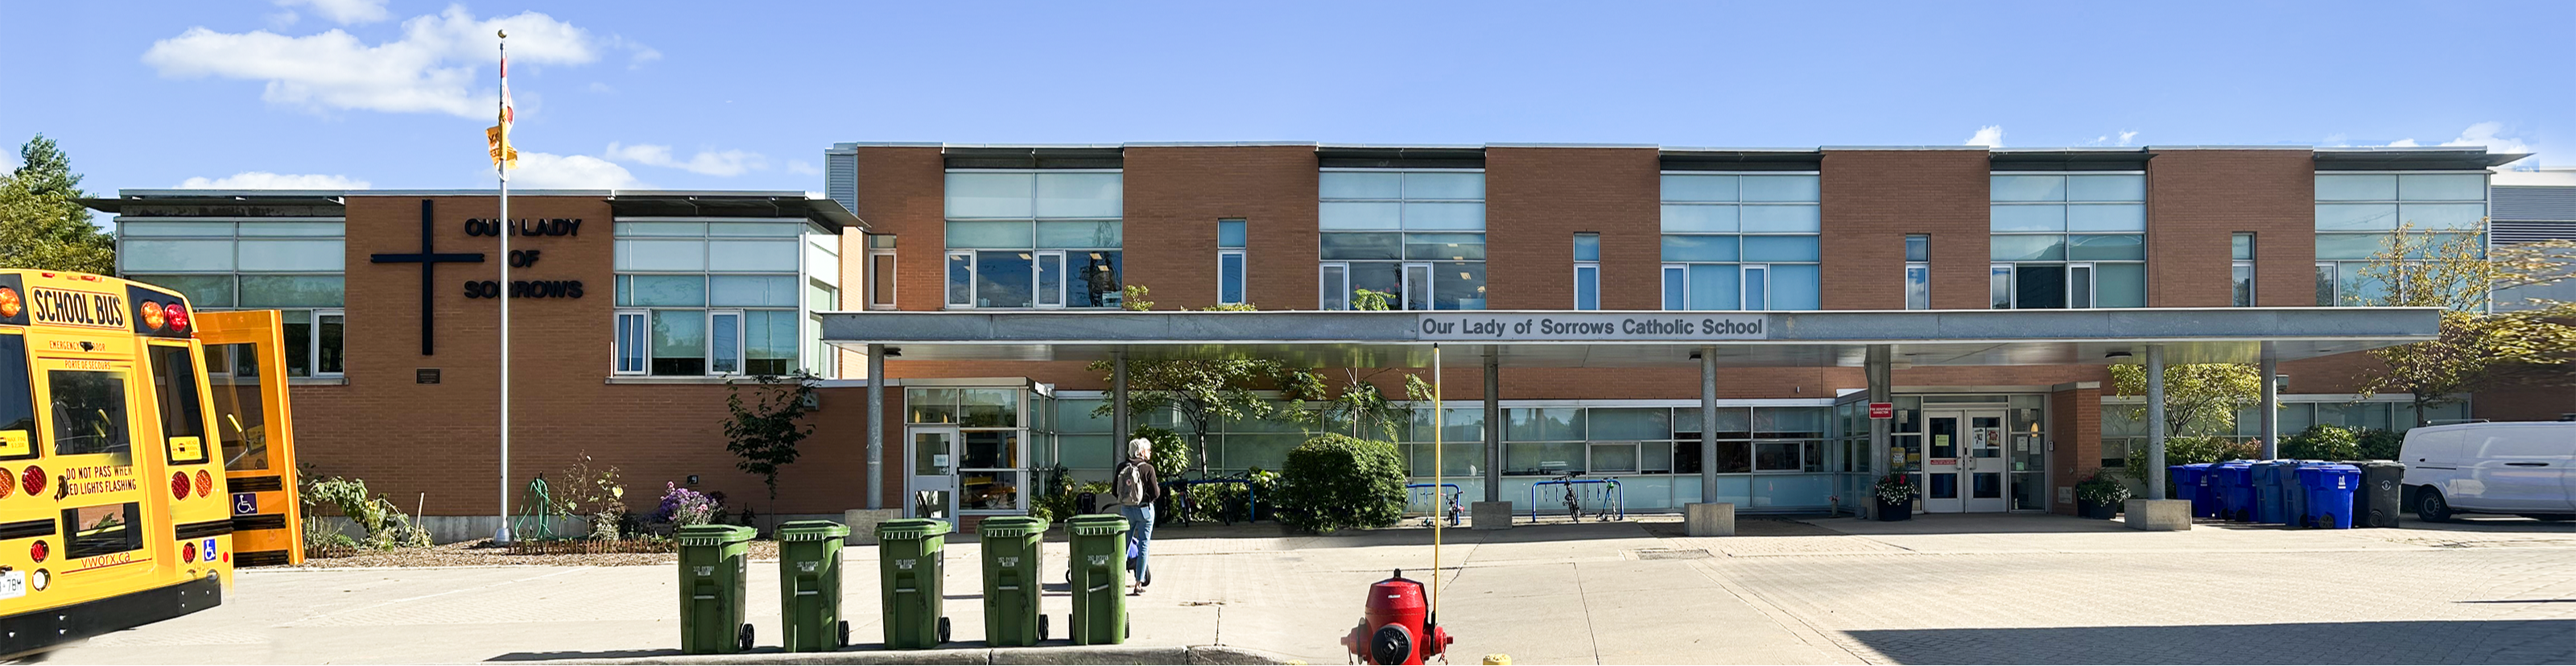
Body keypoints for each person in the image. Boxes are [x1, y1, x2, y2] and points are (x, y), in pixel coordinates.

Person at [1113, 436, 1160, 595]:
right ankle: (1138, 584)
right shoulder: (1148, 469)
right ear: (1140, 452)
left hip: (1126, 510)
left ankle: (1117, 581)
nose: (1149, 453)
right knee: (1143, 545)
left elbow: (1115, 491)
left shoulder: (1121, 467)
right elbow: (1156, 493)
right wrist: (1148, 500)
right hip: (1145, 510)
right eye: (1147, 450)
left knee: (1123, 546)